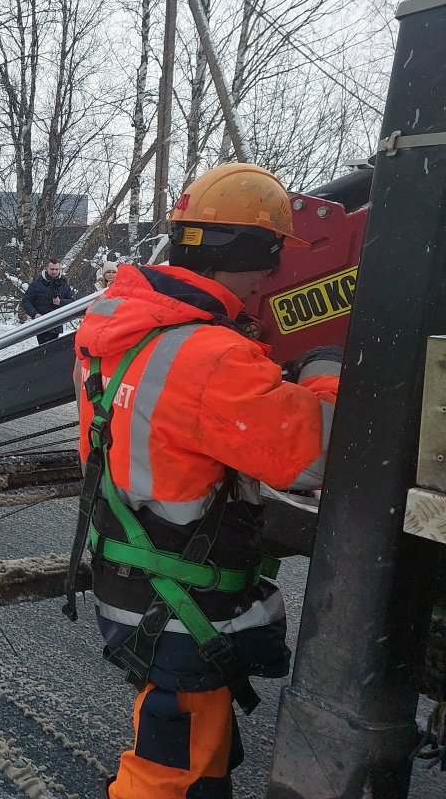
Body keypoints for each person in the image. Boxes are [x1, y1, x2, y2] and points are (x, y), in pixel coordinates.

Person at [70, 163, 341, 798]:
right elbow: (315, 457)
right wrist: (323, 368)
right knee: (173, 774)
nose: (268, 282)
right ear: (255, 252)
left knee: (184, 746)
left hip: (136, 577)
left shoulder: (115, 330)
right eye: (269, 263)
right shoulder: (214, 358)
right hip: (181, 599)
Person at [22, 258, 76, 344]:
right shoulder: (37, 284)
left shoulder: (64, 284)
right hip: (41, 323)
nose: (54, 271)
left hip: (56, 323)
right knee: (43, 350)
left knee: (53, 351)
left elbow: (73, 302)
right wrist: (34, 314)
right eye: (52, 269)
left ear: (59, 270)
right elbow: (26, 300)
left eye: (56, 269)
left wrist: (61, 302)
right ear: (46, 269)